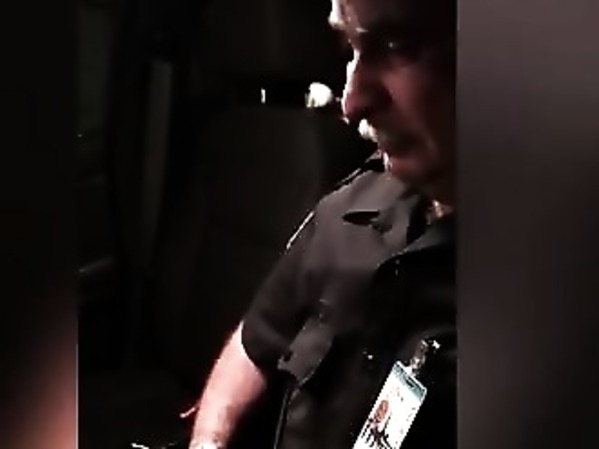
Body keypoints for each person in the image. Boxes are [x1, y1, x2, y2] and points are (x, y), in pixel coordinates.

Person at [188, 0, 456, 448]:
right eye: (350, 49)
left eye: (397, 46)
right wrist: (209, 442)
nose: (351, 103)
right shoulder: (349, 207)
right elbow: (255, 342)